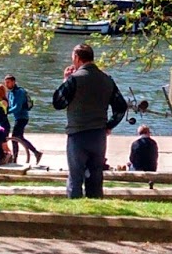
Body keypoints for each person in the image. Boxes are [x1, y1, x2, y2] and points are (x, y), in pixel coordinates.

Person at [51, 43, 128, 199]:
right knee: (95, 176)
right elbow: (121, 107)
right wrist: (109, 125)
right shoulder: (107, 79)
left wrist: (65, 80)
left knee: (75, 176)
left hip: (77, 134)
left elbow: (58, 103)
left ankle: (75, 208)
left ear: (77, 58)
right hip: (98, 135)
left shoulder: (74, 79)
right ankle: (96, 204)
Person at [4, 73, 41, 162]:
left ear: (13, 82)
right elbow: (9, 106)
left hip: (22, 118)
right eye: (5, 82)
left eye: (8, 82)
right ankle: (36, 153)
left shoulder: (20, 92)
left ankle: (15, 158)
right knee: (19, 138)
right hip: (17, 118)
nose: (6, 84)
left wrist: (7, 112)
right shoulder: (10, 93)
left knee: (15, 138)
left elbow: (17, 107)